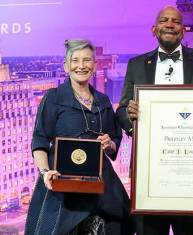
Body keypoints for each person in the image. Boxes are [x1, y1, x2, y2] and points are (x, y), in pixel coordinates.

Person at [116, 5, 193, 235]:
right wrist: (132, 120)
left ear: (183, 31)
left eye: (175, 21)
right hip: (150, 174)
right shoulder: (136, 65)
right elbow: (122, 108)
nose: (170, 24)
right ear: (154, 30)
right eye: (164, 20)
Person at [25, 39, 134, 235]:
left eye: (86, 60)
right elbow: (40, 140)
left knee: (119, 224)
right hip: (62, 184)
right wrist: (44, 172)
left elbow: (115, 142)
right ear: (66, 66)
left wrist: (109, 144)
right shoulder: (54, 97)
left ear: (94, 65)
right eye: (75, 60)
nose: (81, 66)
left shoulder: (103, 100)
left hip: (101, 184)